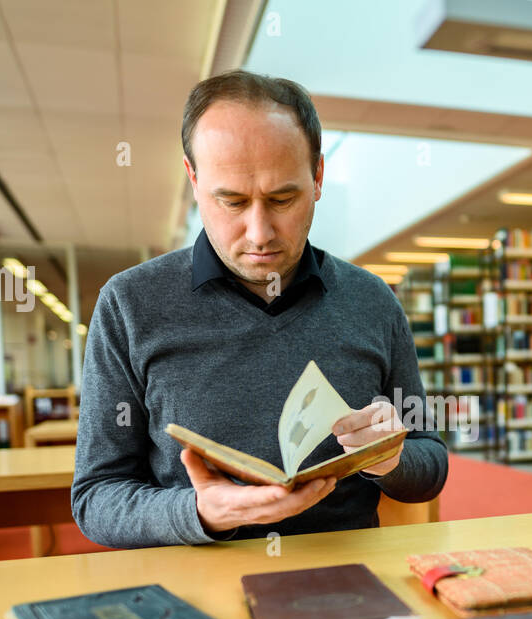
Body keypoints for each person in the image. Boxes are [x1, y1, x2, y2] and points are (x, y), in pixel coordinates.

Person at [71, 70, 447, 548]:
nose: (259, 232)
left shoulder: (372, 301)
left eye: (282, 198)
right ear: (193, 178)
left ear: (318, 178)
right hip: (189, 586)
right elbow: (95, 498)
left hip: (344, 578)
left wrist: (391, 460)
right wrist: (197, 512)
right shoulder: (129, 303)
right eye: (231, 201)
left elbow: (429, 465)